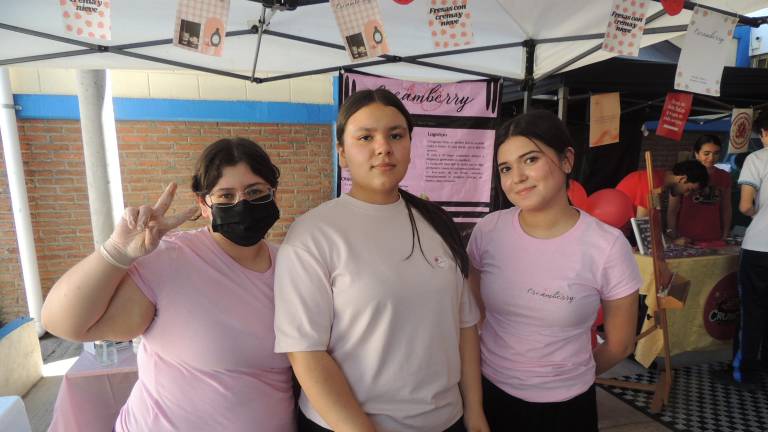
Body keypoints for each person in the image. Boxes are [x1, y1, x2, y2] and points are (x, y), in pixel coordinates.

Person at [41, 138, 295, 432]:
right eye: (226, 196)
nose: (243, 204)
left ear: (274, 195)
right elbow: (64, 323)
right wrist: (116, 253)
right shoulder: (172, 259)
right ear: (204, 204)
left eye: (255, 192)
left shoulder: (291, 265)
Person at [273, 89, 488, 432]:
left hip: (447, 420)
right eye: (365, 137)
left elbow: (464, 327)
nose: (383, 147)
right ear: (342, 152)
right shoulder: (313, 234)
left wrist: (474, 413)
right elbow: (305, 352)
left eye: (396, 135)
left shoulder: (436, 222)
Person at [467, 110, 641, 431]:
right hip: (491, 394)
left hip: (567, 407)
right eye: (506, 168)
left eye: (530, 160)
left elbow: (620, 344)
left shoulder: (606, 245)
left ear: (566, 160)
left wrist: (563, 377)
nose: (516, 177)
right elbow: (475, 311)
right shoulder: (489, 230)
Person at [718, 110, 768, 389]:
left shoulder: (757, 159)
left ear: (764, 133)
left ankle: (745, 372)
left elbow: (745, 205)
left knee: (752, 310)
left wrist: (759, 216)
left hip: (760, 247)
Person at [666, 134, 732, 243]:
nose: (711, 158)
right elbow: (672, 210)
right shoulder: (682, 173)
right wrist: (673, 237)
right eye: (706, 153)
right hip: (685, 238)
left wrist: (725, 234)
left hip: (714, 237)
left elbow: (726, 208)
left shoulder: (724, 176)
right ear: (696, 154)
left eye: (716, 153)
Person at [615, 159, 709, 218]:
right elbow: (645, 226)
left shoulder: (659, 182)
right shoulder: (652, 182)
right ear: (682, 179)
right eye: (689, 189)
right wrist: (671, 242)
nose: (686, 194)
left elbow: (653, 220)